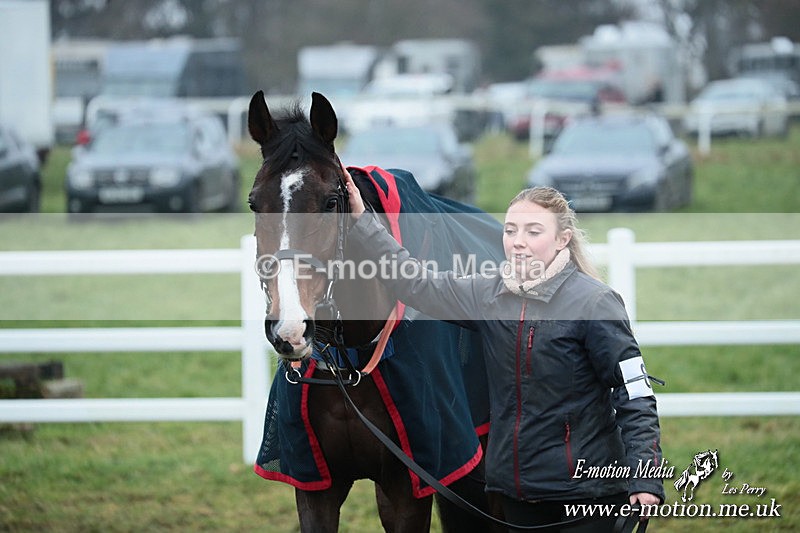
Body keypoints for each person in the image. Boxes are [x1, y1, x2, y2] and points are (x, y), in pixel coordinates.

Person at [342, 166, 664, 531]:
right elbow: (416, 284)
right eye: (510, 231)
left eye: (533, 231)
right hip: (516, 495)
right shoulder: (489, 293)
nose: (518, 241)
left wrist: (645, 478)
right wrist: (362, 220)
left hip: (589, 494)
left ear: (563, 239)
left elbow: (635, 394)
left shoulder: (595, 303)